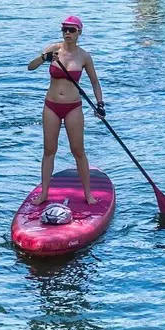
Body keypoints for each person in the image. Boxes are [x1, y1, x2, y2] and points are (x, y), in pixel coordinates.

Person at [27, 17, 105, 207]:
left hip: (73, 107)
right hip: (51, 105)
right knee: (49, 150)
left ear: (79, 32)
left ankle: (88, 194)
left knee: (78, 151)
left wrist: (100, 104)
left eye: (71, 30)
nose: (67, 33)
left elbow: (95, 82)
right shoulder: (53, 49)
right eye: (64, 30)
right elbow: (31, 67)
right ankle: (44, 193)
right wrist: (43, 58)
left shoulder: (84, 56)